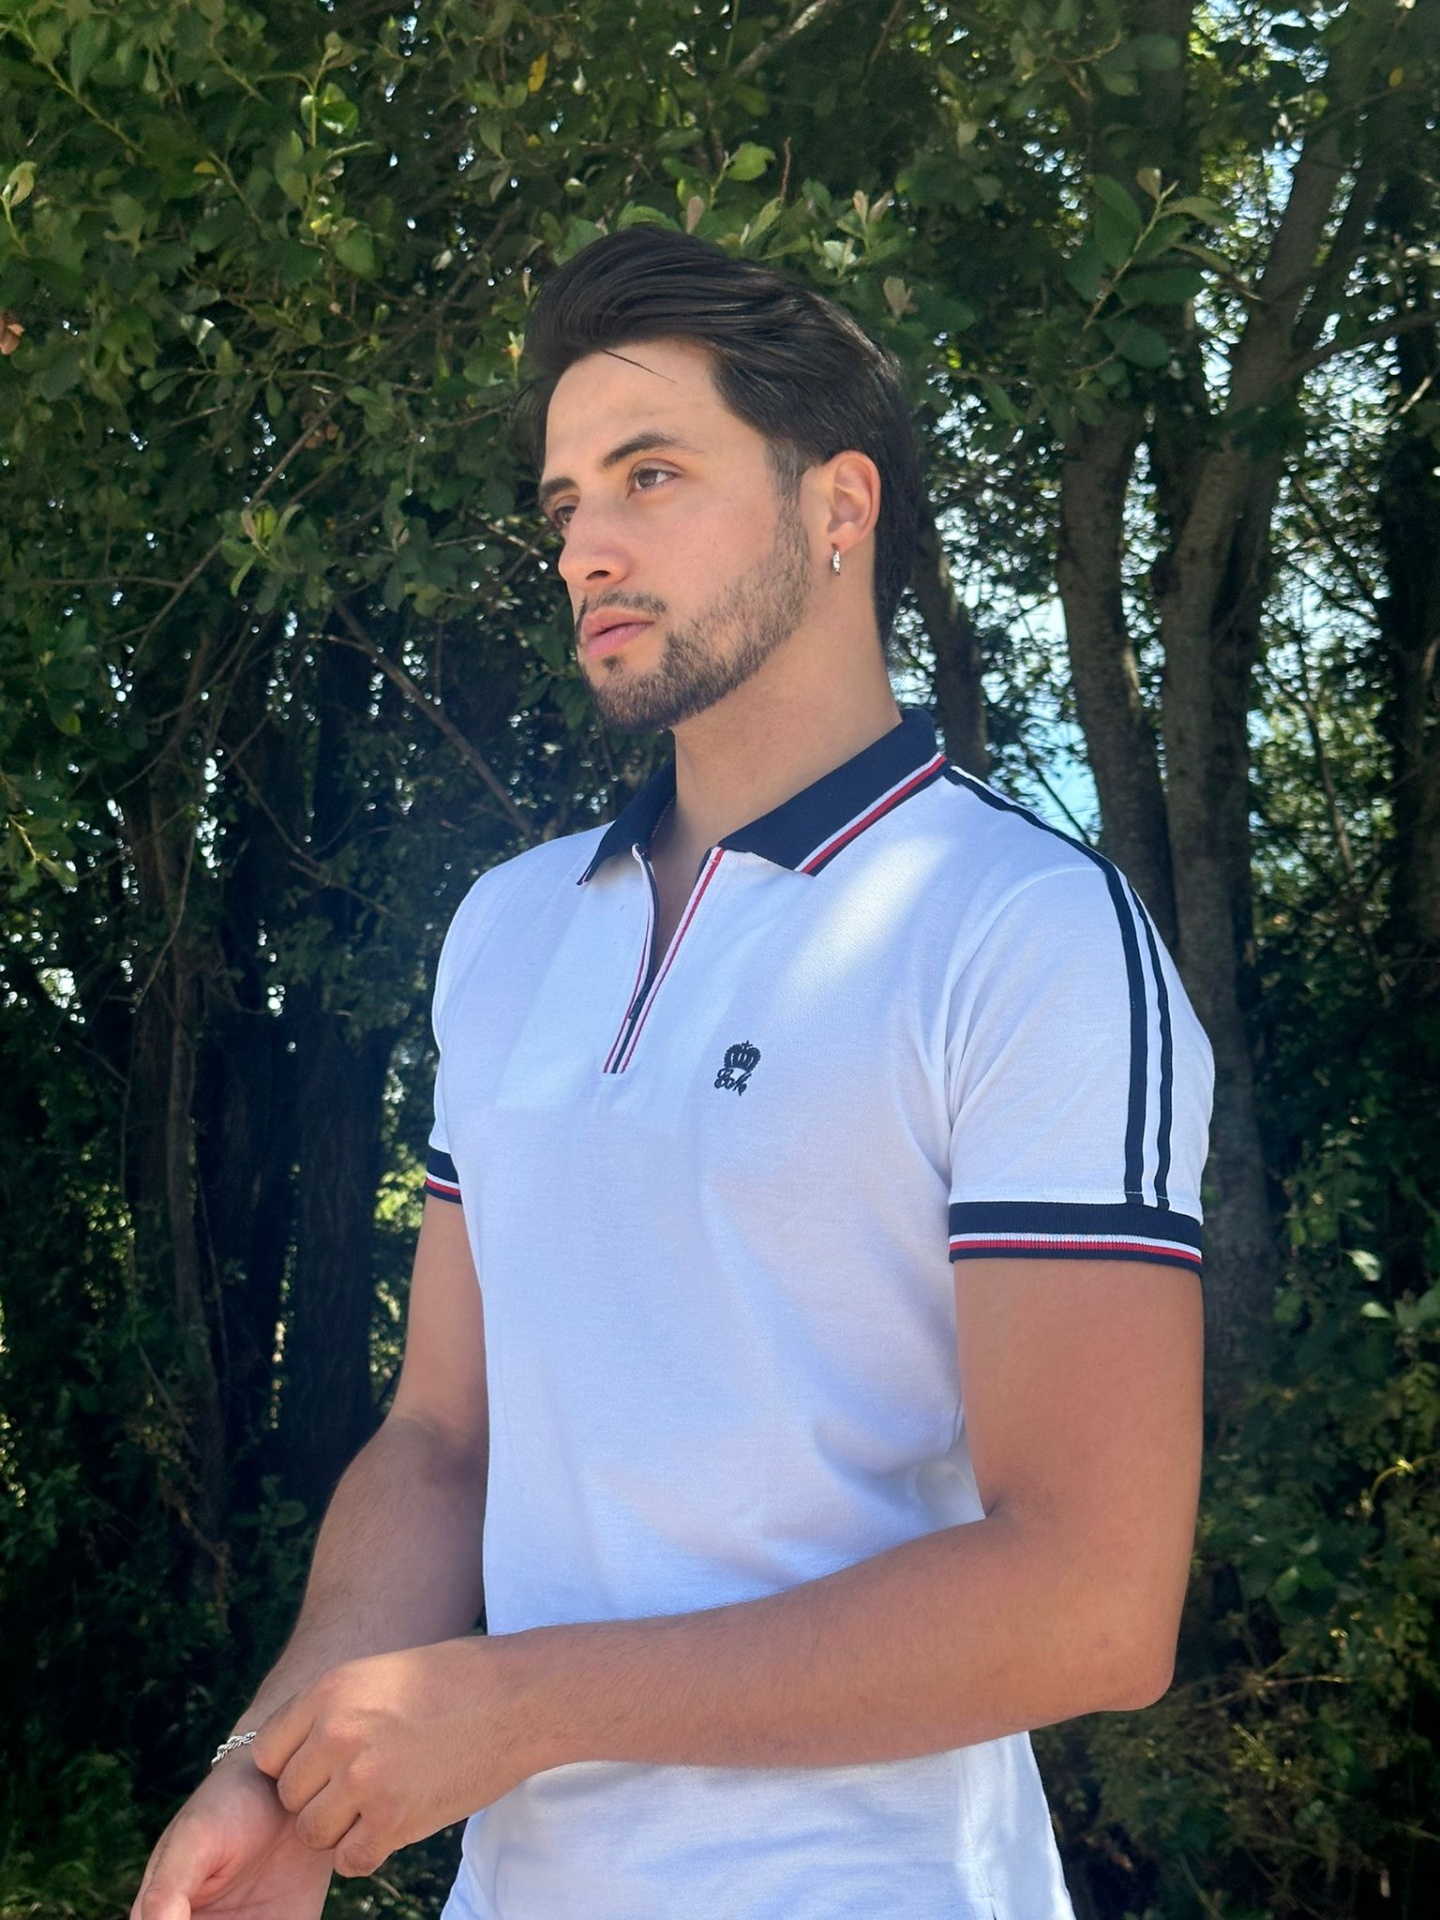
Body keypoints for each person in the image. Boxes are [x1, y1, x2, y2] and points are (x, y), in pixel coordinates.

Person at [132, 228, 1212, 1920]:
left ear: (838, 505)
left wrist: (521, 1705)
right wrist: (275, 1770)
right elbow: (441, 1440)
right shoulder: (508, 931)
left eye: (651, 475)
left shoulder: (1023, 930)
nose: (587, 547)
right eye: (566, 503)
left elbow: (1093, 1601)